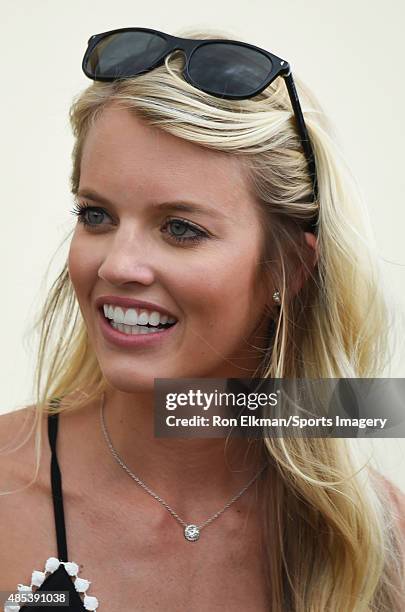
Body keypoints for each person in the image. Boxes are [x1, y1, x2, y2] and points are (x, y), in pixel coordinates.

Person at [1, 25, 404, 611]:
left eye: (181, 229)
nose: (118, 265)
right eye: (97, 215)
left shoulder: (371, 541)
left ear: (289, 266)